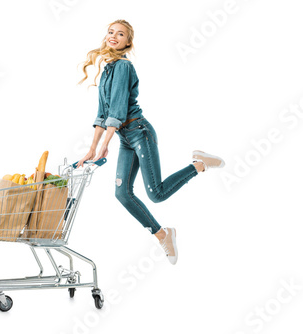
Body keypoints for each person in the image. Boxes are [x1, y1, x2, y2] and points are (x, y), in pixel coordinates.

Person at [76, 19, 225, 265]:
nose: (114, 36)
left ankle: (199, 164)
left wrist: (106, 143)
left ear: (127, 42)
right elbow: (102, 114)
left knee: (156, 194)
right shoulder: (108, 69)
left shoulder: (123, 66)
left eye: (120, 34)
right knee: (122, 194)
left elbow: (118, 109)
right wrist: (92, 148)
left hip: (139, 131)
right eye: (111, 32)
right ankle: (163, 234)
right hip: (126, 137)